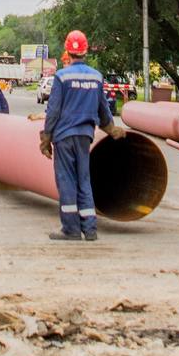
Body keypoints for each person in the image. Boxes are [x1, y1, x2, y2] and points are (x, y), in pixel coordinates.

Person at [39, 30, 125, 242]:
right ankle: (90, 229)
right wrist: (112, 129)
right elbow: (103, 109)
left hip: (64, 136)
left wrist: (46, 137)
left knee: (67, 180)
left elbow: (53, 110)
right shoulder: (96, 77)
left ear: (68, 50)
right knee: (83, 179)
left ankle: (70, 229)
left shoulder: (62, 76)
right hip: (85, 135)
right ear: (85, 51)